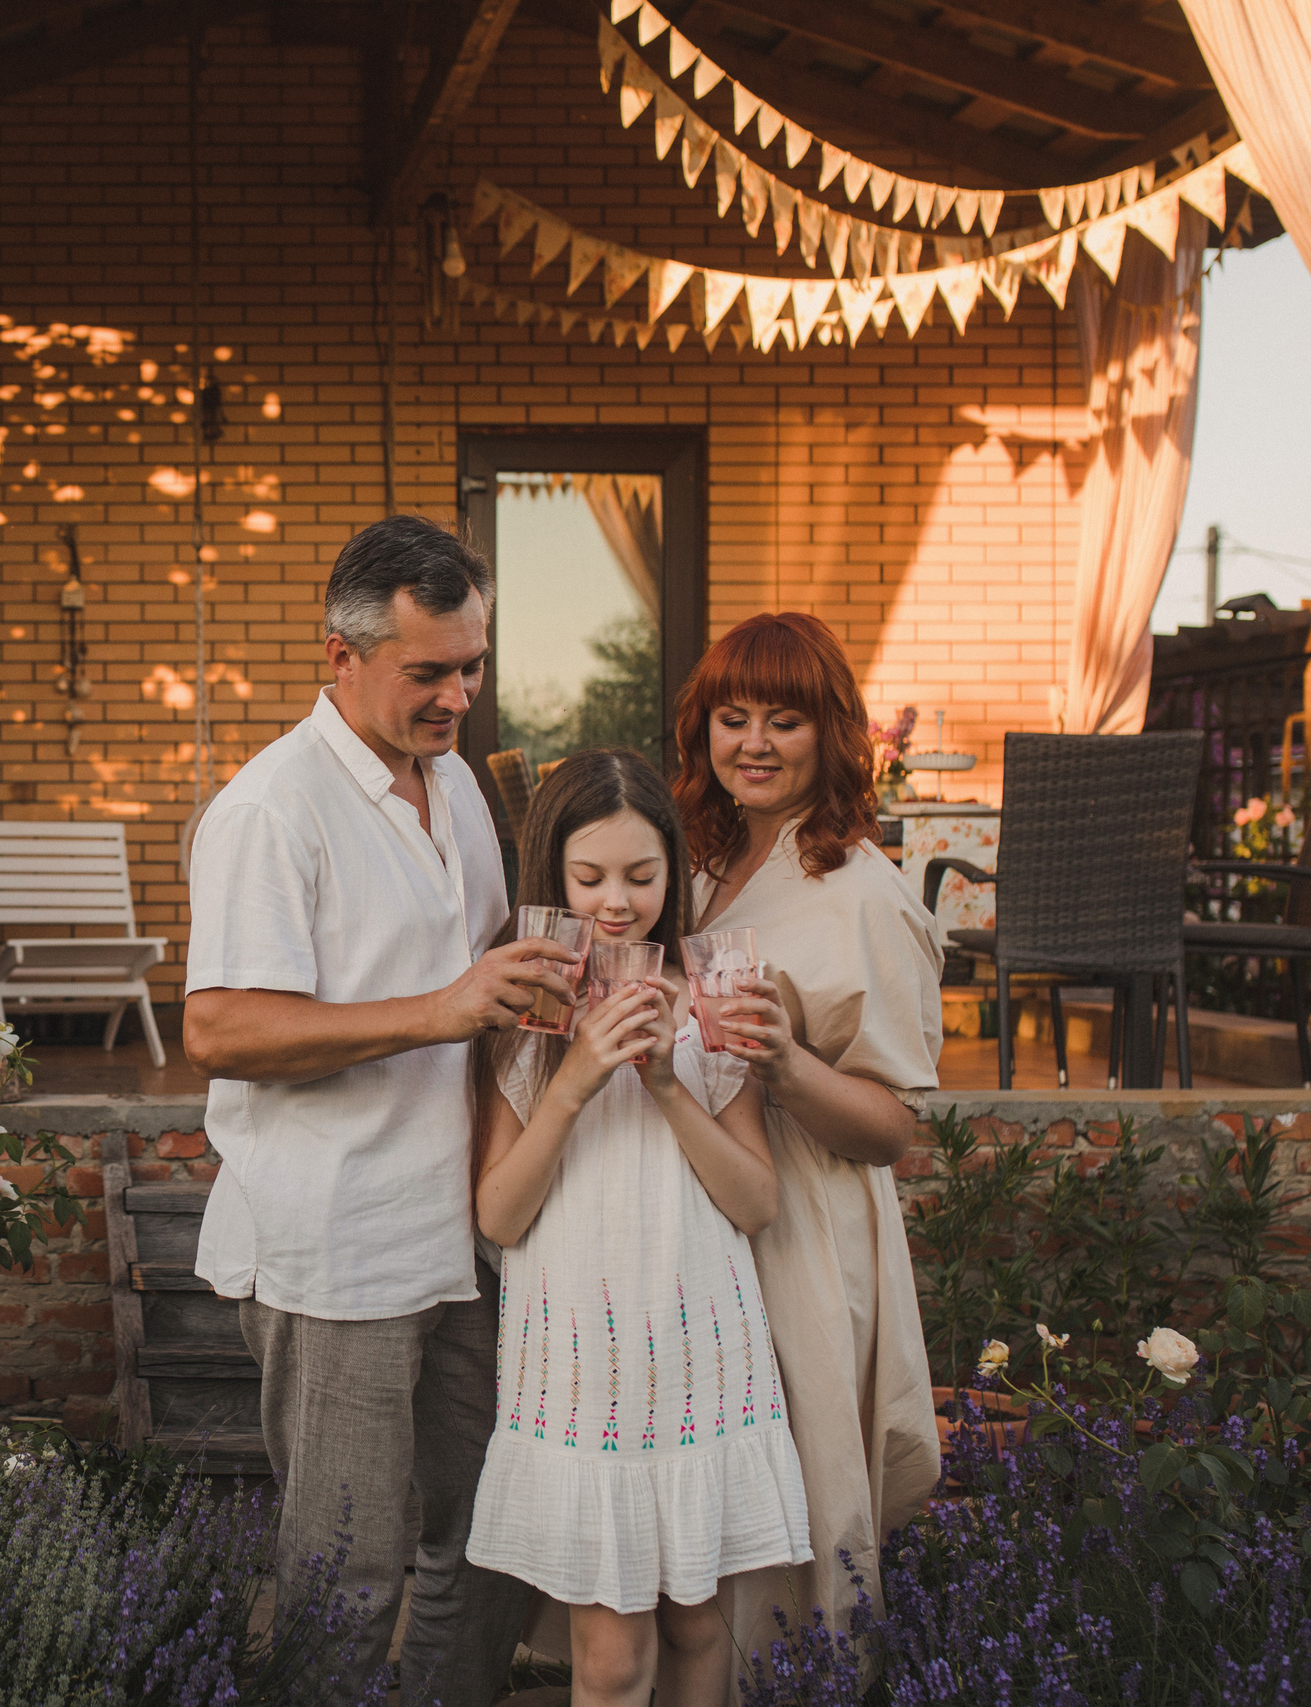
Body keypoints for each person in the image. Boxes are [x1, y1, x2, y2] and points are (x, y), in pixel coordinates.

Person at [181, 514, 581, 1705]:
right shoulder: (270, 809)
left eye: (471, 667)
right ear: (338, 655)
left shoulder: (454, 783)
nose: (458, 695)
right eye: (429, 672)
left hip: (464, 1228)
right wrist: (440, 1008)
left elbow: (476, 967)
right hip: (336, 1243)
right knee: (344, 1572)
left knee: (496, 1532)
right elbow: (221, 1030)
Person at [465, 748, 813, 1707]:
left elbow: (755, 1201)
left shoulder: (714, 1003)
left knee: (701, 1623)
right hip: (581, 1359)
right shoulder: (528, 1014)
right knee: (610, 1655)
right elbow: (498, 1212)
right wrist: (576, 1079)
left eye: (641, 874)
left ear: (674, 873)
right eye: (589, 878)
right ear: (552, 875)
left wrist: (666, 1082)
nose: (615, 902)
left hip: (700, 1343)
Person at [672, 612, 944, 1691]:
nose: (753, 742)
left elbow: (896, 1131)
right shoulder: (703, 861)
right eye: (732, 717)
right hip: (700, 1211)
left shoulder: (861, 892)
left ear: (833, 733)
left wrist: (787, 1065)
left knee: (795, 1485)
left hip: (802, 1227)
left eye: (783, 719)